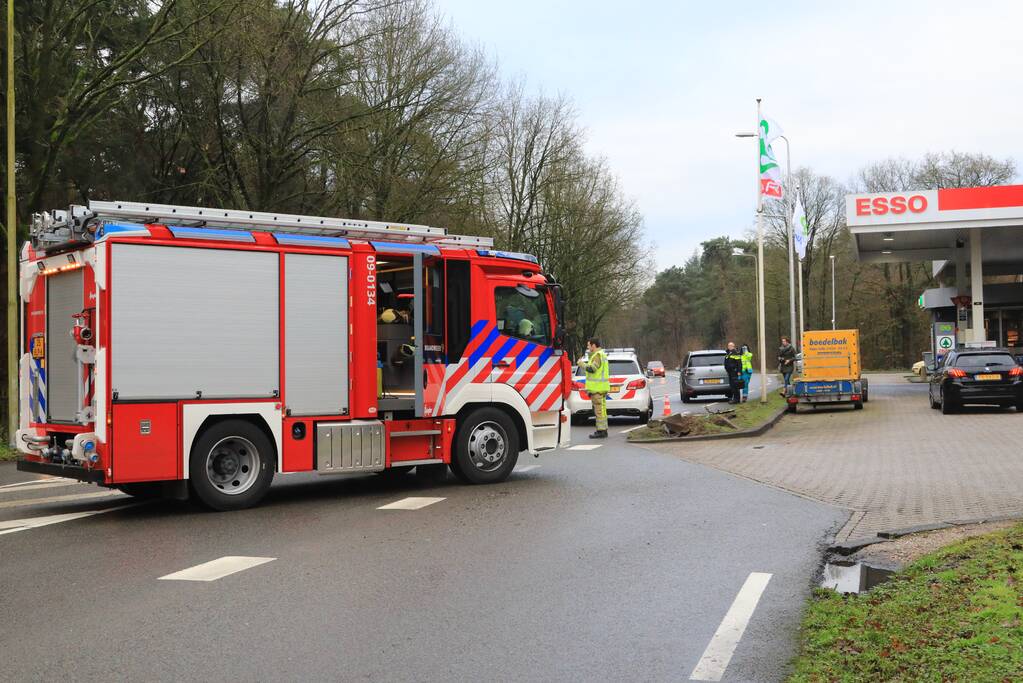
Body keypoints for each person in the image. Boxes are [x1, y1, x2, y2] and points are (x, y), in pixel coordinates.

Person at [577, 337, 610, 439]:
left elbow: (592, 369)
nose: (588, 347)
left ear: (593, 345)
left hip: (597, 389)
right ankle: (603, 429)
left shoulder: (597, 356)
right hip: (601, 388)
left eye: (589, 345)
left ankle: (601, 431)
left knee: (599, 410)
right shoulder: (601, 354)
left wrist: (582, 364)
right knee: (602, 410)